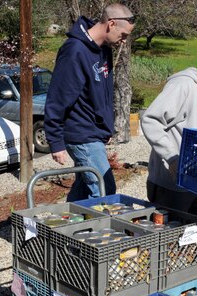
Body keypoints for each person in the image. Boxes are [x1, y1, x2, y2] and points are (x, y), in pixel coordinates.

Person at [44, 4, 135, 201]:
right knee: (104, 188)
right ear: (111, 24)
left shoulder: (104, 50)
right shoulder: (74, 51)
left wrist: (106, 126)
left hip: (95, 131)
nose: (124, 41)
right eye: (124, 34)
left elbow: (103, 94)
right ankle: (100, 230)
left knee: (85, 188)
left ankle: (65, 228)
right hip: (81, 133)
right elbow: (58, 97)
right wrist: (55, 141)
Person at [140, 50, 197, 218]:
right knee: (170, 240)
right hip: (171, 186)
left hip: (193, 183)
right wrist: (173, 158)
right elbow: (151, 119)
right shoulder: (184, 84)